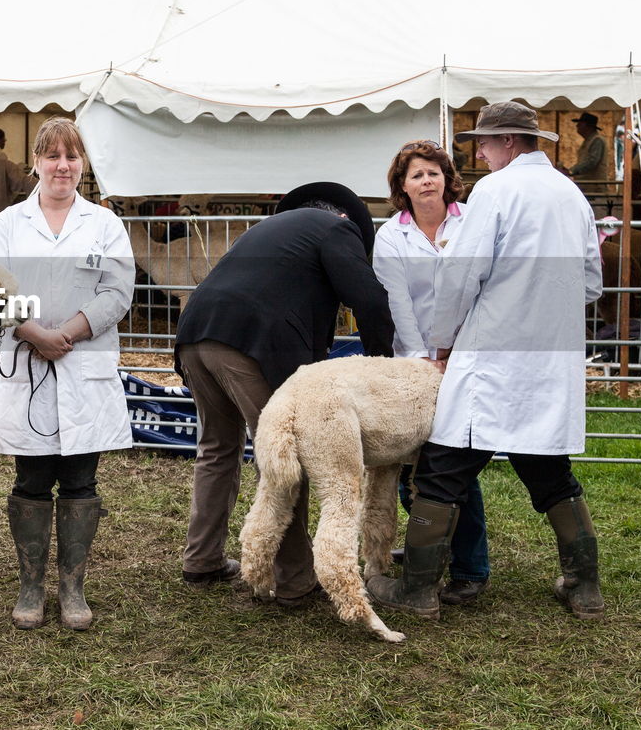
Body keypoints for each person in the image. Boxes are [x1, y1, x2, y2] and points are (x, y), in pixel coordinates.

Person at [367, 101, 605, 622]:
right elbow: (591, 283)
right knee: (552, 475)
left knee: (443, 471)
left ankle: (417, 588)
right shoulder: (572, 194)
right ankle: (584, 587)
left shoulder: (494, 191)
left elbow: (461, 275)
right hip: (549, 361)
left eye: (485, 143)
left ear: (510, 144)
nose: (480, 152)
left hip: (491, 355)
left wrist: (445, 341)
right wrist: (542, 303)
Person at [173, 182, 395, 607]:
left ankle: (202, 559)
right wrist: (383, 363)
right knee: (285, 459)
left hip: (195, 334)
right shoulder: (336, 230)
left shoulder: (271, 231)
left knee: (217, 449)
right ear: (346, 219)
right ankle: (295, 580)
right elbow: (368, 297)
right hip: (250, 343)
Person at [0, 116, 134, 632]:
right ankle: (30, 585)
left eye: (71, 157)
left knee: (81, 479)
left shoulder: (105, 224)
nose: (62, 166)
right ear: (37, 165)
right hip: (27, 361)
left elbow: (117, 292)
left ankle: (72, 587)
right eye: (52, 157)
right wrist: (31, 331)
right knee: (32, 476)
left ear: (82, 165)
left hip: (82, 360)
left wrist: (68, 331)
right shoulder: (7, 224)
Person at [371, 139, 490, 604]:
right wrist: (423, 359)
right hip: (415, 363)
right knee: (410, 464)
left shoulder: (472, 224)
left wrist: (453, 353)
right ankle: (429, 546)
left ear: (447, 178)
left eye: (433, 172)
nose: (426, 181)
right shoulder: (389, 236)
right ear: (402, 185)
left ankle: (470, 567)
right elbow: (396, 301)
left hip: (466, 356)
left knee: (454, 464)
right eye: (416, 174)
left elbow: (481, 289)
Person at [569, 112, 608, 181]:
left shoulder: (597, 140)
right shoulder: (588, 141)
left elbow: (591, 162)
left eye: (580, 123)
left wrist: (572, 171)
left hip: (594, 186)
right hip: (588, 185)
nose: (577, 125)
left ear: (588, 126)